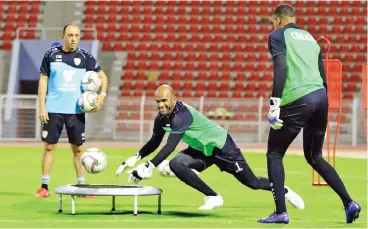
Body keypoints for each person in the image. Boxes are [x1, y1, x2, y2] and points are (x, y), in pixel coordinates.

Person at [116, 85, 304, 210]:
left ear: (174, 99)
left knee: (253, 183)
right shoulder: (161, 118)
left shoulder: (182, 115)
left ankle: (283, 190)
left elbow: (170, 145)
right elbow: (155, 142)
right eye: (158, 101)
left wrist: (149, 166)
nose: (161, 105)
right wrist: (135, 157)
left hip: (221, 147)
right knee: (176, 164)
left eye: (164, 100)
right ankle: (213, 196)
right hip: (202, 150)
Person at [257, 4, 361, 224]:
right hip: (320, 97)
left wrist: (275, 102)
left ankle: (280, 212)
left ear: (277, 20)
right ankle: (350, 203)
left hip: (296, 99)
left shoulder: (277, 35)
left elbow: (281, 67)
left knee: (274, 154)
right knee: (315, 157)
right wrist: (324, 101)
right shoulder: (310, 38)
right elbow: (322, 73)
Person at [34, 24, 108, 198]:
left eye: (76, 35)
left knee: (78, 149)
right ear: (63, 36)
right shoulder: (51, 54)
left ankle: (81, 187)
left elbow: (102, 76)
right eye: (70, 35)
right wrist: (42, 106)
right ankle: (44, 187)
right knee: (49, 146)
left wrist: (101, 96)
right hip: (53, 109)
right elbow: (43, 80)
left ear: (80, 37)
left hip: (76, 111)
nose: (73, 38)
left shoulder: (85, 57)